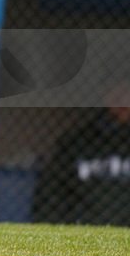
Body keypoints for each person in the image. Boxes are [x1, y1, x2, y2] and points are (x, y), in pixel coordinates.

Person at [33, 81, 130, 224]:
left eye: (127, 93)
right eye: (117, 95)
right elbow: (50, 193)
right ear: (106, 96)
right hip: (88, 227)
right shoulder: (77, 141)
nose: (123, 101)